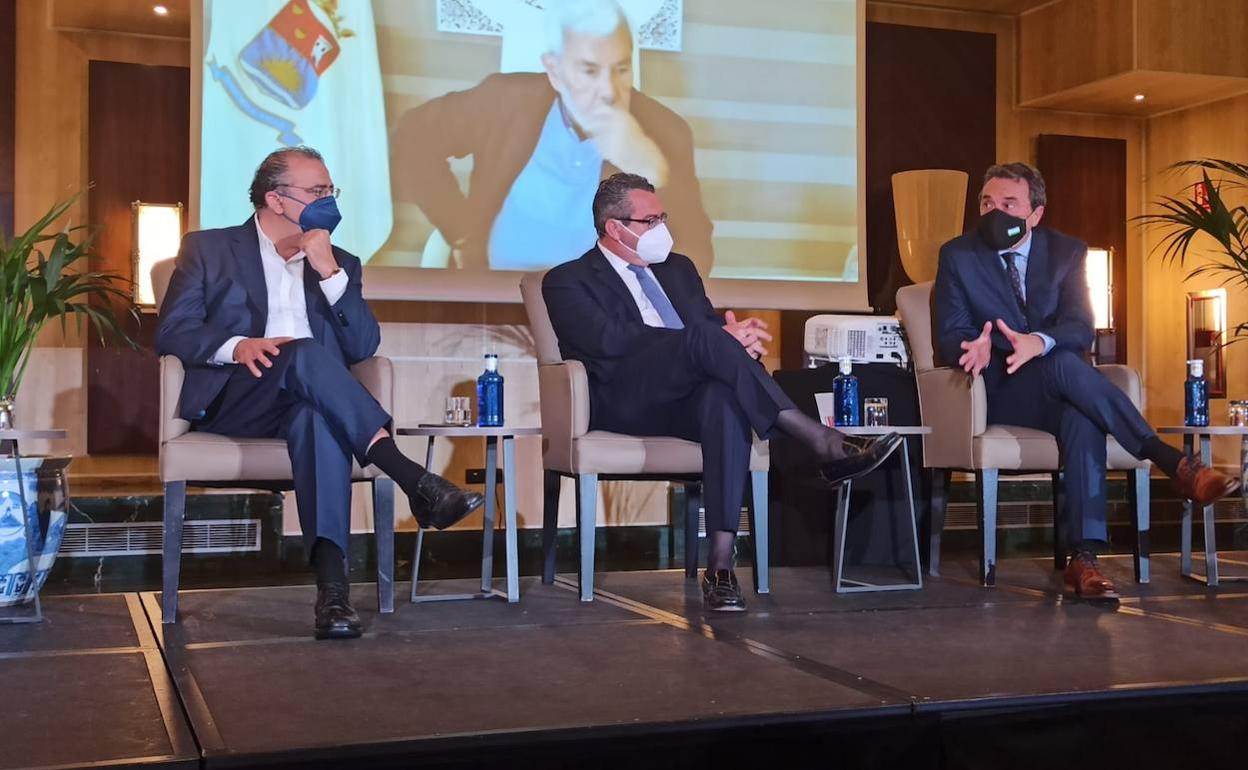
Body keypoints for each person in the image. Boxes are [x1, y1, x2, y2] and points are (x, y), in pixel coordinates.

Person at [156, 147, 486, 640]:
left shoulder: (341, 262)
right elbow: (172, 332)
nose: (328, 200)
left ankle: (333, 596)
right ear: (275, 198)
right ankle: (412, 477)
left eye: (331, 191)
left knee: (316, 417)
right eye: (316, 192)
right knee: (306, 353)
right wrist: (238, 345)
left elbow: (363, 347)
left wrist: (330, 272)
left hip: (309, 399)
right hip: (238, 396)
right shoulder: (210, 249)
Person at [543, 173, 902, 612]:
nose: (661, 229)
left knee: (724, 399)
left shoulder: (679, 269)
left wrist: (732, 339)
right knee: (705, 339)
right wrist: (716, 340)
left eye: (663, 217)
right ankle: (820, 440)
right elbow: (609, 342)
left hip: (686, 398)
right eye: (649, 220)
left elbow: (709, 338)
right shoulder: (567, 280)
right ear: (615, 228)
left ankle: (720, 565)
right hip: (623, 398)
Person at [934, 162, 1240, 605]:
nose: (993, 212)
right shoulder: (959, 255)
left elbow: (1081, 327)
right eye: (986, 202)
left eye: (1008, 204)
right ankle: (1171, 461)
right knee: (1066, 367)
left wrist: (1038, 342)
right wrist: (973, 346)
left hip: (1058, 386)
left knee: (1079, 408)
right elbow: (950, 332)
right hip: (998, 389)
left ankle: (1083, 560)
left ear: (1035, 213)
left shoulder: (1067, 252)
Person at [392, 0, 713, 274]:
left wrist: (656, 176)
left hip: (604, 316)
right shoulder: (505, 100)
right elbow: (413, 136)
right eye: (589, 71)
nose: (607, 91)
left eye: (621, 69)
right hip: (498, 298)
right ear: (555, 70)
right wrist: (461, 232)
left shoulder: (664, 131)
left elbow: (697, 257)